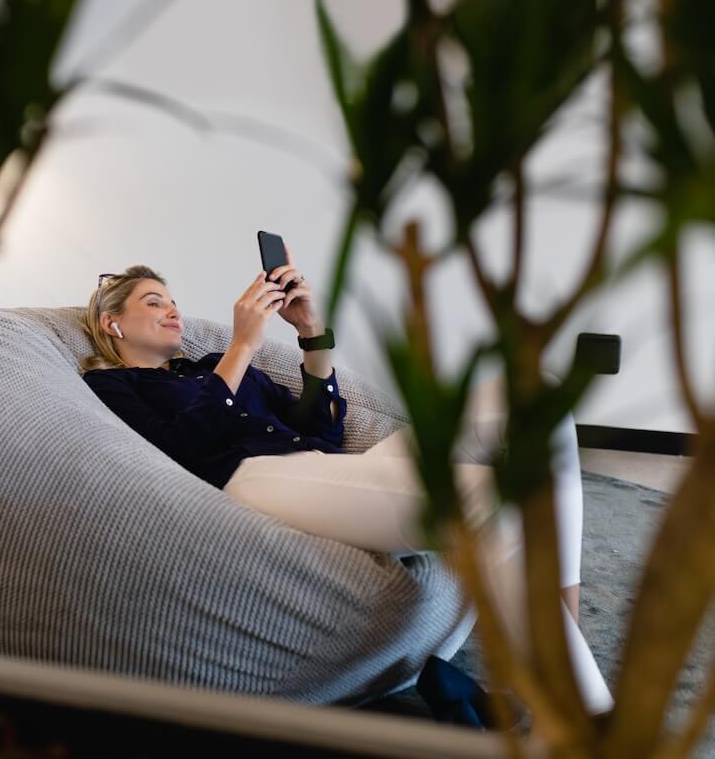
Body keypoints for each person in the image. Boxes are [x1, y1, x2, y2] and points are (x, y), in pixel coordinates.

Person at [80, 257, 613, 714]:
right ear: (113, 323)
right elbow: (179, 448)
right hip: (253, 480)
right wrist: (242, 345)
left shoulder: (208, 365)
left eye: (172, 300)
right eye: (154, 302)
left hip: (325, 467)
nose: (173, 310)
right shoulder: (110, 384)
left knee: (533, 396)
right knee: (493, 494)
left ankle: (559, 630)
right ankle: (582, 718)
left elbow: (322, 428)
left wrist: (311, 333)